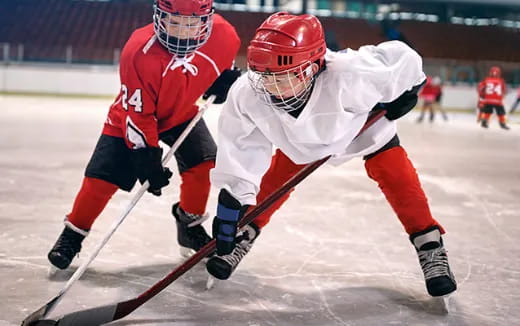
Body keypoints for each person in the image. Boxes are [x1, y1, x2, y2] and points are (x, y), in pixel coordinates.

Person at [205, 12, 457, 299]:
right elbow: (241, 147)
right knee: (274, 180)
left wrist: (410, 88)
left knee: (396, 175)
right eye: (264, 76)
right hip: (300, 142)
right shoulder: (248, 92)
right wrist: (231, 205)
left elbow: (405, 58)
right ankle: (244, 234)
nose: (271, 87)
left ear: (312, 68)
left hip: (359, 129)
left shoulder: (352, 74)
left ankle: (429, 244)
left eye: (282, 78)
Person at [47, 0, 241, 270]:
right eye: (174, 21)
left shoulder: (225, 35)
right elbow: (138, 114)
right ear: (159, 17)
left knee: (204, 163)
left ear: (207, 20)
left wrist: (220, 82)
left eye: (191, 24)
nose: (182, 32)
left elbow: (222, 69)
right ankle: (73, 234)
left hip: (182, 113)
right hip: (131, 117)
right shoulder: (138, 50)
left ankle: (189, 224)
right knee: (101, 180)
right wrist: (147, 156)